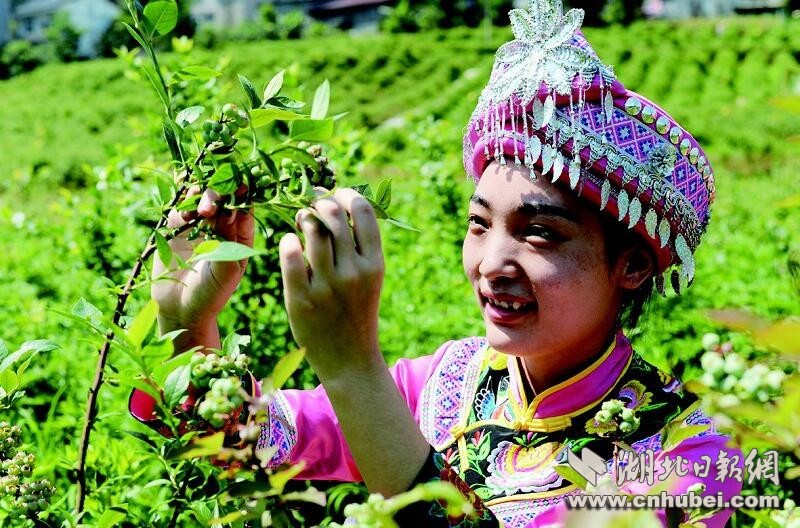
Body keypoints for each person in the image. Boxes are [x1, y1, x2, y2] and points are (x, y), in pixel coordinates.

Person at [132, 1, 742, 526]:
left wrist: (352, 367)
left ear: (632, 266)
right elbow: (243, 441)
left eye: (540, 234)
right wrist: (187, 324)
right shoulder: (446, 386)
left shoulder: (688, 454)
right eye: (479, 224)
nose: (493, 262)